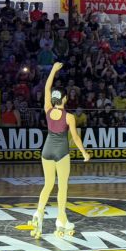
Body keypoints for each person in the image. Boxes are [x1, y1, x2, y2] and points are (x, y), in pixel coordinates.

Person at [29, 62, 91, 239]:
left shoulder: (47, 109)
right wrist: (85, 153)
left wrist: (53, 71)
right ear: (64, 99)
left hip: (46, 150)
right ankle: (60, 219)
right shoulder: (69, 116)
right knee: (62, 186)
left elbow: (47, 87)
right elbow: (76, 138)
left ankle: (38, 213)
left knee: (48, 185)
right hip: (61, 152)